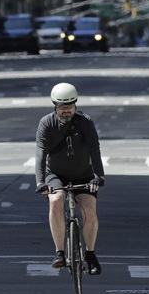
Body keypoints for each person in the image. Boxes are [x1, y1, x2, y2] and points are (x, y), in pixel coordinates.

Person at [35, 83, 105, 275]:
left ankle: (90, 254)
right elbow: (40, 153)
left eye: (70, 106)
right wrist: (41, 182)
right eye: (62, 107)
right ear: (54, 106)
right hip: (55, 175)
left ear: (75, 105)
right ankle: (59, 252)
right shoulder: (46, 123)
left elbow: (94, 149)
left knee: (90, 212)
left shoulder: (85, 122)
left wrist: (99, 176)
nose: (66, 110)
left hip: (83, 174)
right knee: (56, 201)